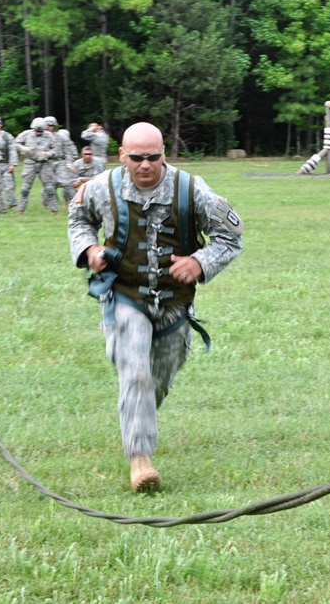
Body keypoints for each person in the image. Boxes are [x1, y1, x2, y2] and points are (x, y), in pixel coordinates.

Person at [68, 122, 243, 493]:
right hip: (124, 297)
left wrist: (200, 262)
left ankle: (138, 420)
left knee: (156, 384)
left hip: (174, 307)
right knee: (136, 375)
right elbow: (79, 218)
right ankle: (140, 463)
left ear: (165, 154)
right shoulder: (101, 187)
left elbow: (231, 236)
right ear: (122, 156)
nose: (145, 165)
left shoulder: (192, 190)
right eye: (136, 158)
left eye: (153, 157)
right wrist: (89, 250)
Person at [14, 117, 59, 214]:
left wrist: (48, 154)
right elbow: (15, 143)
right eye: (37, 131)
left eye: (40, 131)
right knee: (25, 188)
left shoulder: (50, 136)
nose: (38, 133)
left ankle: (54, 210)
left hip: (45, 163)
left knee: (49, 188)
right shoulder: (26, 134)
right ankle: (20, 210)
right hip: (30, 162)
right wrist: (23, 148)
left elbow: (57, 150)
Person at [0, 116, 19, 211]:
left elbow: (12, 149)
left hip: (5, 164)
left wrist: (12, 164)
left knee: (9, 185)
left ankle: (12, 204)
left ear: (1, 125)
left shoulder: (7, 136)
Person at [56, 128, 79, 207]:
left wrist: (70, 163)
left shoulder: (70, 145)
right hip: (59, 166)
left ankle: (71, 201)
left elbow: (75, 155)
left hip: (69, 167)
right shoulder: (57, 144)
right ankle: (65, 201)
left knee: (69, 184)